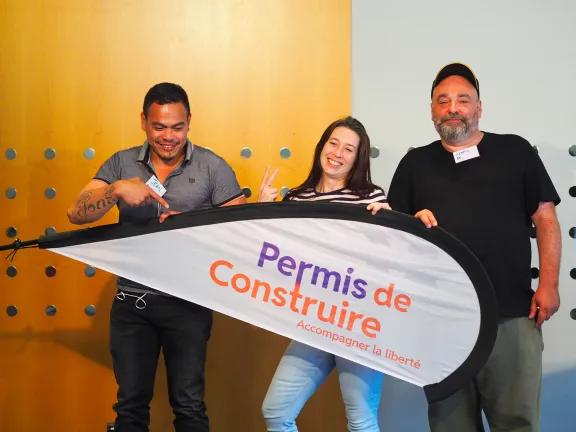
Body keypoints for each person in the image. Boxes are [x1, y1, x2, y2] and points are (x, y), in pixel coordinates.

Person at [387, 63, 562, 432]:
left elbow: (545, 218)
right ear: (432, 111)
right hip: (441, 321)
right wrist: (411, 225)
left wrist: (549, 283)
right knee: (450, 426)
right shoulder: (415, 164)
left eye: (463, 100)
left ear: (479, 107)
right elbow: (394, 240)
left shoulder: (514, 151)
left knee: (517, 424)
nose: (453, 108)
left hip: (511, 316)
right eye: (443, 101)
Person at [67, 82, 246, 432]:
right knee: (130, 408)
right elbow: (76, 214)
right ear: (143, 122)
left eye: (177, 127)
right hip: (131, 306)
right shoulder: (121, 163)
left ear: (189, 122)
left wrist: (192, 225)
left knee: (189, 407)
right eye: (159, 127)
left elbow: (240, 233)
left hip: (189, 304)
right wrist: (115, 189)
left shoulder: (212, 167)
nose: (168, 137)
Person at [258, 116, 390, 432]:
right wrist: (262, 212)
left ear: (357, 159)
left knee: (360, 419)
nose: (337, 153)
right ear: (322, 146)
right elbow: (274, 260)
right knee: (276, 411)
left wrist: (389, 231)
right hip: (314, 322)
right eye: (333, 143)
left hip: (359, 324)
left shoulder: (370, 198)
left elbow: (386, 263)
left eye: (348, 149)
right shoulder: (296, 200)